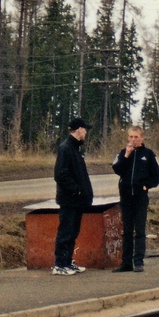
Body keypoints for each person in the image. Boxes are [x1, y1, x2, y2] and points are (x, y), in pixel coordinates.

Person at [111, 125, 159, 273]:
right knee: (126, 230)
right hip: (126, 196)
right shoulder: (123, 153)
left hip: (140, 196)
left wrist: (147, 185)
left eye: (136, 137)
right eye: (131, 137)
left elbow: (156, 176)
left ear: (142, 138)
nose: (133, 140)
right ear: (128, 138)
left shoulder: (149, 154)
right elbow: (117, 169)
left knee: (139, 230)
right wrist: (127, 155)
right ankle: (126, 263)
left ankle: (138, 261)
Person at [52, 117, 93, 275]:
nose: (86, 132)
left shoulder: (75, 149)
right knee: (66, 232)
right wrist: (77, 190)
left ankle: (67, 262)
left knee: (73, 232)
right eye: (85, 129)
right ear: (79, 130)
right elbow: (60, 175)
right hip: (69, 199)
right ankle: (60, 264)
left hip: (77, 200)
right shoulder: (66, 148)